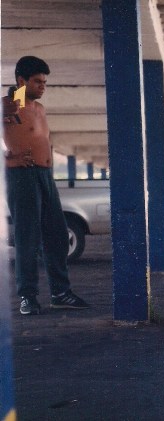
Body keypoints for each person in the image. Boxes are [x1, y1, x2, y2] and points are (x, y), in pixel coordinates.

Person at [2, 56, 89, 315]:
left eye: (45, 82)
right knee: (28, 238)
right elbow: (12, 110)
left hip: (45, 175)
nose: (43, 86)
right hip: (22, 176)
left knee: (58, 235)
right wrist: (11, 157)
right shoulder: (10, 105)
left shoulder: (39, 108)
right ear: (21, 80)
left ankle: (60, 293)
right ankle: (27, 297)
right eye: (37, 81)